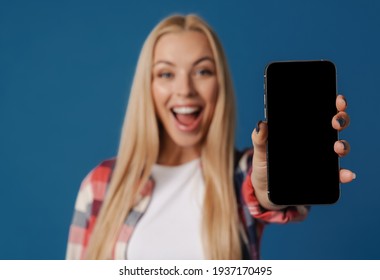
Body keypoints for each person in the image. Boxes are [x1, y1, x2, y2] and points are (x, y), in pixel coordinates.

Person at [66, 14, 355, 260]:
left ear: (221, 84)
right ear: (148, 87)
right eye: (166, 74)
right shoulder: (100, 185)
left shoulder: (242, 175)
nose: (185, 90)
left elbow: (265, 195)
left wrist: (275, 184)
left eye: (202, 71)